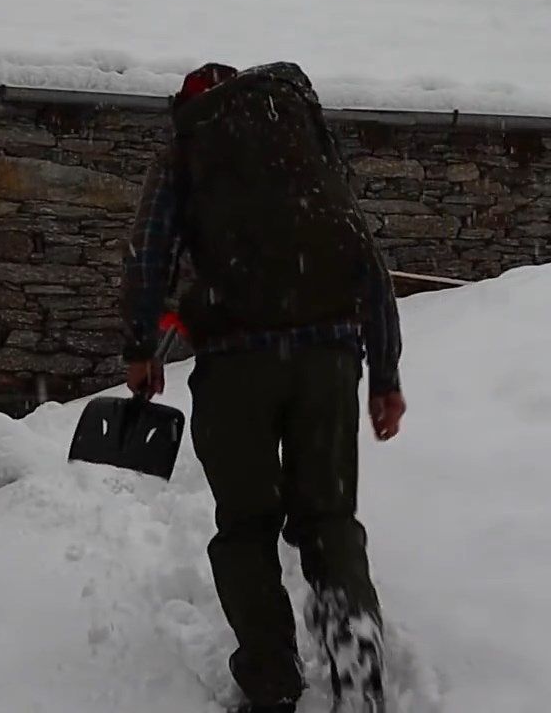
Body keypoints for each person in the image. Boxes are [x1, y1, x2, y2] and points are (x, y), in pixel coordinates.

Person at [121, 60, 407, 713]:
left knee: (247, 525)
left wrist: (140, 347)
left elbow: (150, 249)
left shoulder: (189, 146)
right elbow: (365, 257)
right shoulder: (303, 142)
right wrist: (384, 372)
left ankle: (272, 681)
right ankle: (352, 645)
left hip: (236, 361)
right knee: (328, 516)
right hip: (330, 357)